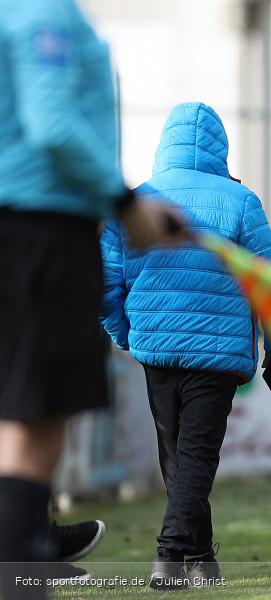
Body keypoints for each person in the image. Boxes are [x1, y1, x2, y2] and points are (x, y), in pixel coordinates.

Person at [0, 2, 188, 598]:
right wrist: (125, 204)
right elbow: (52, 122)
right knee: (32, 429)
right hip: (39, 235)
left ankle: (30, 543)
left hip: (29, 231)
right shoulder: (40, 13)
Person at [99, 102, 271, 590]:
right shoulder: (239, 200)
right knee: (197, 457)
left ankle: (198, 560)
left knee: (176, 458)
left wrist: (125, 333)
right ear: (220, 147)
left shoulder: (138, 200)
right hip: (219, 350)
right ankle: (173, 556)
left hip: (155, 346)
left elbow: (104, 280)